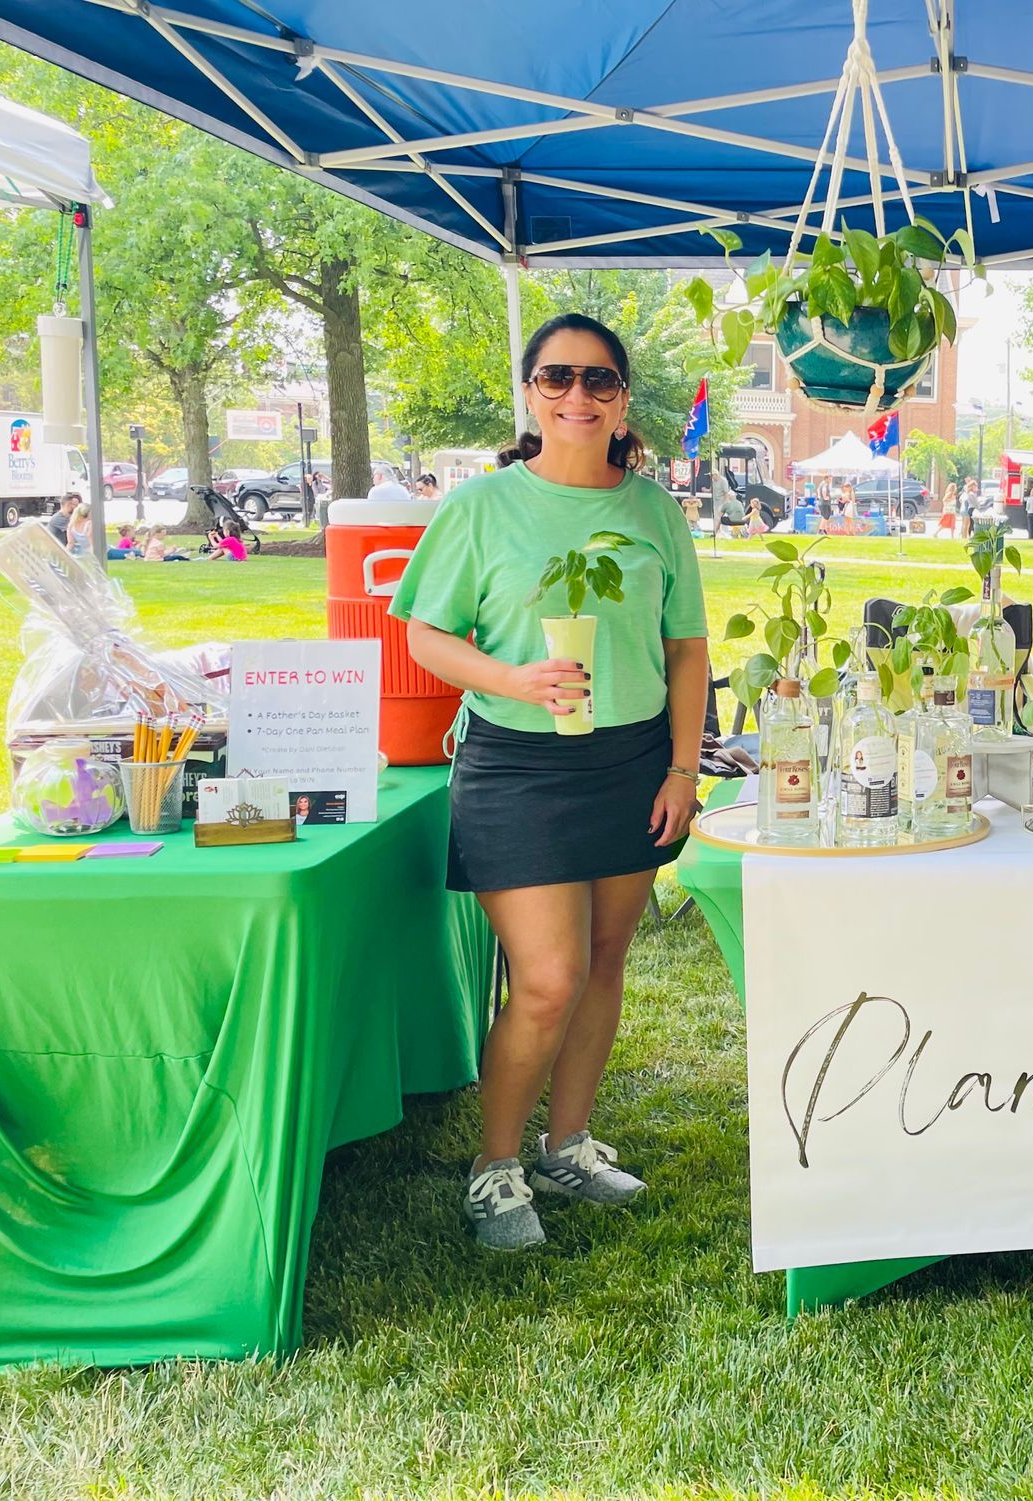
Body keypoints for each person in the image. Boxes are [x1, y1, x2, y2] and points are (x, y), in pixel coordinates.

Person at [390, 311, 707, 1252]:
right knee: (548, 977)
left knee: (606, 962)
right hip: (517, 763)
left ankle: (567, 1144)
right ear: (530, 394)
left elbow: (685, 648)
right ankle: (495, 1167)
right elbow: (424, 633)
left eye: (600, 380)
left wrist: (685, 768)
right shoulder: (479, 507)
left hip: (634, 759)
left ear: (622, 401)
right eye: (559, 377)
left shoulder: (655, 511)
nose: (579, 395)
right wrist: (514, 678)